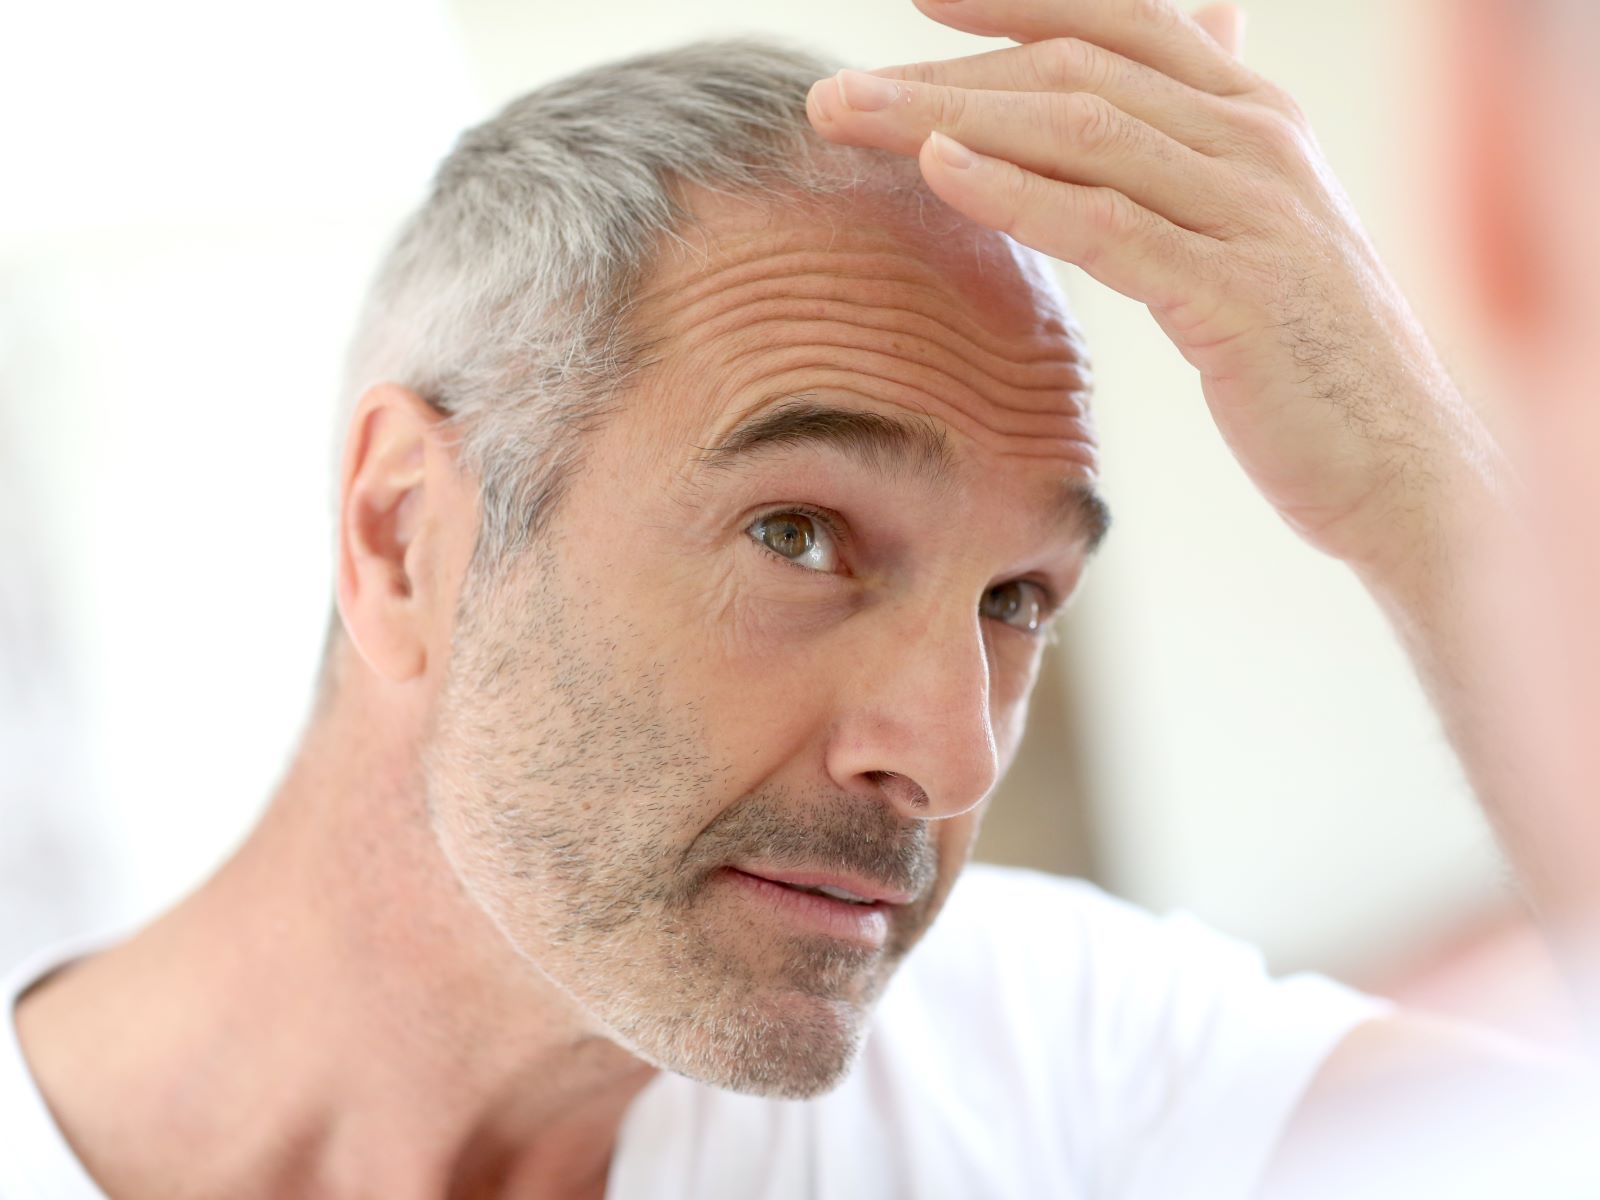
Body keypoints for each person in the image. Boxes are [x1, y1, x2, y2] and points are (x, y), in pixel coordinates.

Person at [0, 4, 1558, 1197]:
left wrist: (1423, 493)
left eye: (1017, 596)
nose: (951, 762)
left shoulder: (1053, 1050)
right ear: (406, 535)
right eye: (800, 532)